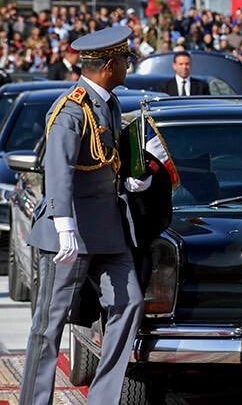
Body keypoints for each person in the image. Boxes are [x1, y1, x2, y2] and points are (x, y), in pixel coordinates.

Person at [21, 26, 151, 404]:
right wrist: (64, 227)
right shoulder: (70, 109)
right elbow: (58, 170)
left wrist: (130, 179)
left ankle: (103, 398)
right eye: (125, 59)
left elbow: (105, 160)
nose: (128, 65)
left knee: (129, 303)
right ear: (109, 64)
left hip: (108, 230)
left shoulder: (108, 102)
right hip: (70, 232)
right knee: (49, 324)